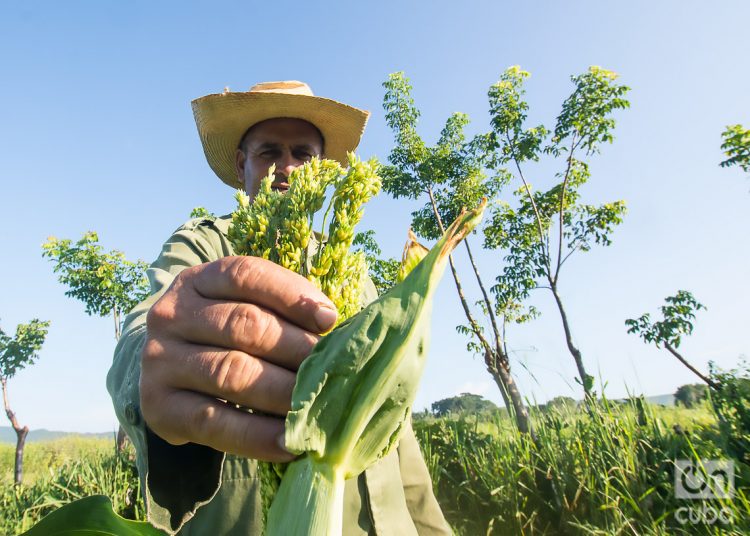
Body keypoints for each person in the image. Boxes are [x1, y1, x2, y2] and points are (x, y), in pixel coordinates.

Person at [107, 81, 451, 535]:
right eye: (269, 152)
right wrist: (152, 369)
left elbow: (396, 424)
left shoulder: (350, 266)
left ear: (324, 169)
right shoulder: (205, 245)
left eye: (303, 154)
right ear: (241, 164)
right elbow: (145, 336)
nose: (287, 167)